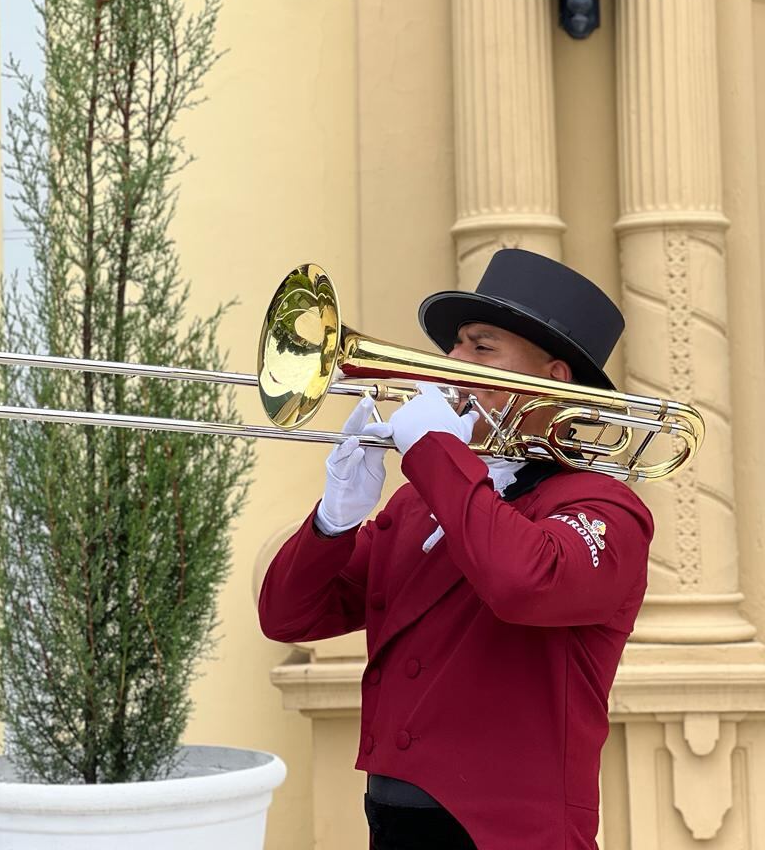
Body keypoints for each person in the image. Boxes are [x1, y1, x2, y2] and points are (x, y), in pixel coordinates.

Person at [258, 249, 654, 850]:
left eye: (480, 347)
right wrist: (335, 518)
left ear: (550, 380)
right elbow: (288, 617)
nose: (449, 363)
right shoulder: (421, 503)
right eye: (455, 346)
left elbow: (524, 581)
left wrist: (438, 456)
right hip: (394, 825)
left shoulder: (606, 508)